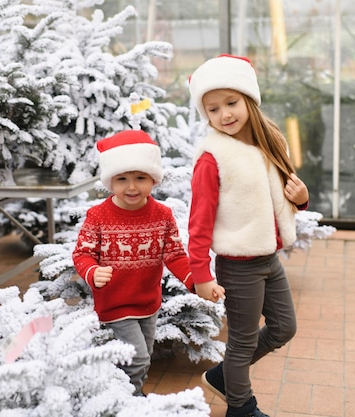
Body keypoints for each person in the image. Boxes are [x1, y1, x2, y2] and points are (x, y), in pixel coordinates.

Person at [187, 54, 310, 417]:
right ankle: (241, 407)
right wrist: (201, 275)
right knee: (241, 342)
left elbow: (282, 195)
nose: (224, 114)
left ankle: (226, 376)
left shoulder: (269, 141)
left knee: (284, 327)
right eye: (212, 109)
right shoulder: (212, 158)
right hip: (238, 265)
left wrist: (302, 201)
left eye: (231, 102)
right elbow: (199, 223)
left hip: (268, 259)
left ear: (249, 100)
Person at [72, 129, 205, 396]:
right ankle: (128, 402)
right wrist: (93, 271)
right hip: (115, 303)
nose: (132, 187)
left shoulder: (162, 214)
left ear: (153, 179)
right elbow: (81, 254)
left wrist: (195, 281)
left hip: (148, 302)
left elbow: (175, 255)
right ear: (111, 182)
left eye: (140, 178)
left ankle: (124, 392)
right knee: (139, 359)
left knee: (141, 356)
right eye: (122, 179)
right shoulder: (98, 216)